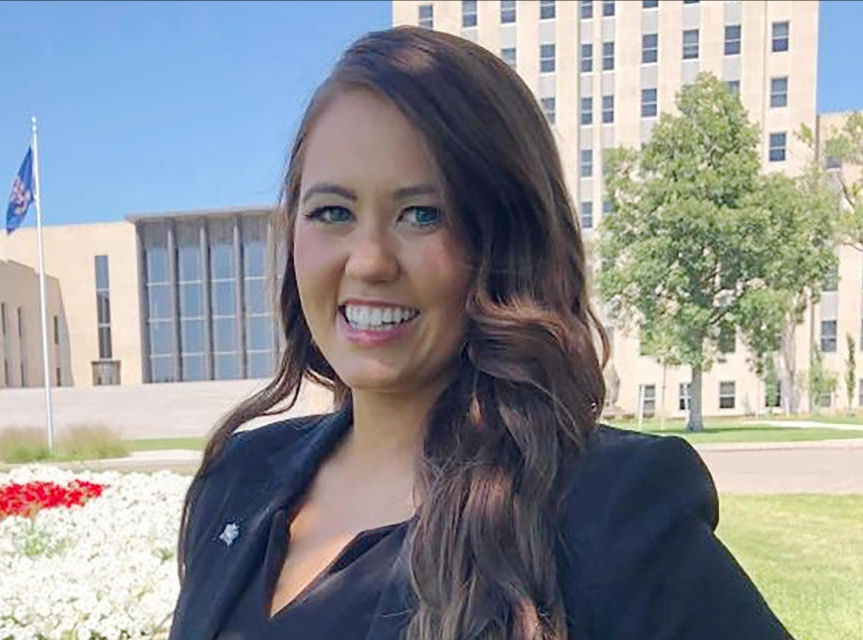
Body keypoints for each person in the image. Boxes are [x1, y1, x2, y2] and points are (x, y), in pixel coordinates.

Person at [170, 26, 793, 640]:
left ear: (506, 241)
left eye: (423, 214)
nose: (368, 261)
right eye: (333, 212)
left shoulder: (605, 512)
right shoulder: (239, 477)